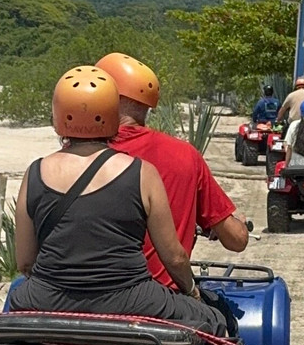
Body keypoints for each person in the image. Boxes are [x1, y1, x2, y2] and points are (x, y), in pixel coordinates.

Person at [8, 65, 225, 335]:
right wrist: (192, 293)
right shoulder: (142, 172)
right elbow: (174, 257)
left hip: (47, 297)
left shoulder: (35, 172)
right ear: (113, 114)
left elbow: (25, 262)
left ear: (58, 116)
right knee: (215, 320)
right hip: (132, 299)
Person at [97, 52, 249, 290]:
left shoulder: (71, 159)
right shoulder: (184, 155)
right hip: (162, 300)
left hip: (85, 297)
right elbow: (236, 241)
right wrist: (240, 224)